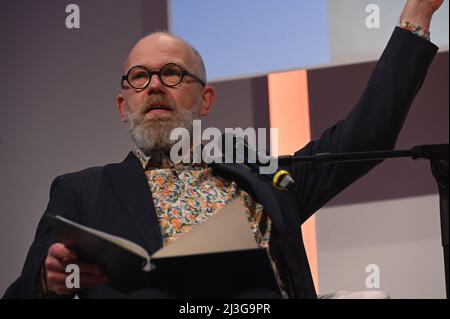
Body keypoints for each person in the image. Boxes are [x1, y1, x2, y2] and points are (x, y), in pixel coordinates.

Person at [3, 0, 444, 299]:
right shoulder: (82, 192)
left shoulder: (265, 177)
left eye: (172, 74)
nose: (154, 85)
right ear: (124, 105)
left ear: (205, 100)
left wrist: (418, 12)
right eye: (139, 77)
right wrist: (46, 281)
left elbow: (365, 135)